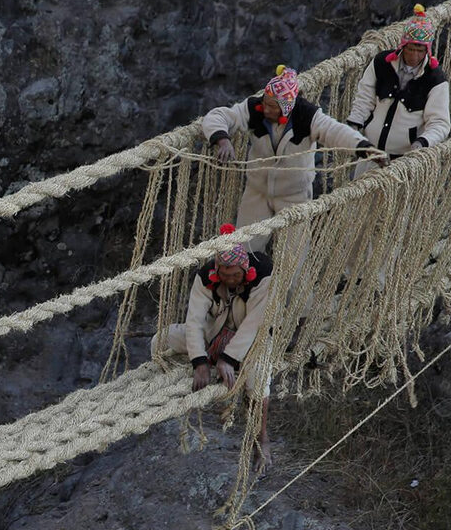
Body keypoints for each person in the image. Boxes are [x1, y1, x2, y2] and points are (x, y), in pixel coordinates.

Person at [202, 64, 382, 253]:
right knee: (245, 250)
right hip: (257, 192)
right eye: (265, 102)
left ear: (286, 108)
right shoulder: (254, 108)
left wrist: (364, 148)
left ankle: (290, 284)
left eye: (272, 106)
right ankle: (254, 282)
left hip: (294, 197)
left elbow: (335, 131)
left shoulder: (307, 116)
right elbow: (219, 115)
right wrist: (222, 139)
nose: (265, 109)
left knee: (293, 258)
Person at [151, 224, 273, 472]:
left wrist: (228, 359)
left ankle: (261, 439)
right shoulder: (206, 276)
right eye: (224, 276)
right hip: (214, 334)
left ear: (244, 269)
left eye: (234, 276)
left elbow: (254, 324)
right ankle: (168, 389)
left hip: (251, 340)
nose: (229, 280)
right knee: (159, 341)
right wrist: (199, 361)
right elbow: (194, 321)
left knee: (257, 378)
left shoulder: (263, 275)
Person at [347, 3, 450, 165]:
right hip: (370, 154)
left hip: (403, 163)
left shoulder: (435, 79)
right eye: (411, 49)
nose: (415, 56)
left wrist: (422, 143)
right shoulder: (381, 63)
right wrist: (353, 127)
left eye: (420, 50)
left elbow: (440, 123)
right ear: (403, 45)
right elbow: (364, 99)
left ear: (427, 51)